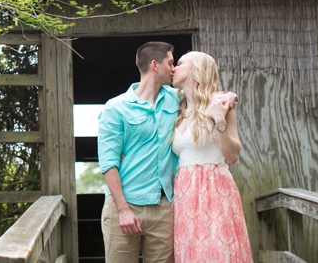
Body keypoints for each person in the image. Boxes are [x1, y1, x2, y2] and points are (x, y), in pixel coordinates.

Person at [98, 41, 178, 263]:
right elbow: (108, 163)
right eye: (171, 63)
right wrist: (123, 210)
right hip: (124, 208)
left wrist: (229, 97)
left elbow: (205, 96)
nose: (174, 69)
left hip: (164, 209)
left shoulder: (177, 99)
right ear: (155, 65)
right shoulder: (115, 108)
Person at [170, 51, 252, 263]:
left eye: (179, 64)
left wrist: (219, 121)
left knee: (218, 252)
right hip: (185, 194)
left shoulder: (219, 104)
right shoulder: (178, 108)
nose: (173, 68)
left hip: (214, 188)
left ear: (196, 69)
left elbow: (232, 156)